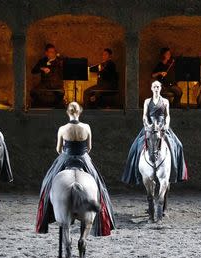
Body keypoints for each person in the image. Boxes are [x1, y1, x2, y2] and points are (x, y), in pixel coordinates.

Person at [36, 102, 115, 236]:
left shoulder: (62, 128)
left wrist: (66, 152)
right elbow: (89, 147)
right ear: (80, 112)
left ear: (68, 112)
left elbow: (58, 149)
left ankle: (45, 215)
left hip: (66, 157)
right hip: (83, 157)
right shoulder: (86, 127)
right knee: (100, 186)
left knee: (47, 183)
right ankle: (102, 215)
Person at [122, 80, 188, 185]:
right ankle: (135, 174)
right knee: (135, 147)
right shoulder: (147, 101)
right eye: (154, 87)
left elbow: (167, 115)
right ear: (152, 88)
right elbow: (144, 115)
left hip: (162, 126)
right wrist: (146, 125)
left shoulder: (165, 101)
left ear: (161, 88)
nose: (156, 89)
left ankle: (176, 172)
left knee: (178, 145)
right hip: (150, 126)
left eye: (158, 87)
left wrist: (166, 125)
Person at [30, 44, 64, 108]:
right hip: (44, 85)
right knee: (33, 93)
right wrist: (42, 68)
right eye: (51, 52)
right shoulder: (42, 61)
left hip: (57, 85)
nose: (53, 53)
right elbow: (33, 71)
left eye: (54, 52)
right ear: (46, 53)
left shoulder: (60, 61)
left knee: (59, 96)